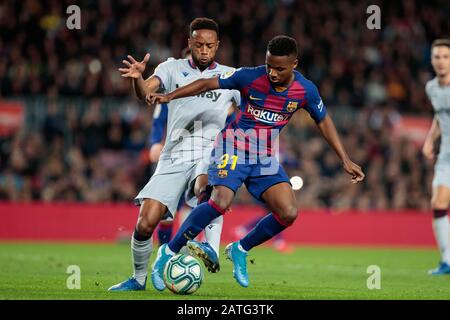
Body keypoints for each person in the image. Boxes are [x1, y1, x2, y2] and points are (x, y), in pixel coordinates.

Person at [148, 35, 365, 288]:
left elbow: (323, 121)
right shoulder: (250, 77)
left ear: (295, 64)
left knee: (288, 212)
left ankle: (240, 248)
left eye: (279, 68)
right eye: (269, 65)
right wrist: (170, 96)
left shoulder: (306, 90)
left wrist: (345, 159)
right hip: (233, 146)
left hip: (263, 156)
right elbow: (207, 83)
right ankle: (169, 251)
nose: (272, 73)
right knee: (221, 200)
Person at [108, 17, 240, 292]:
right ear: (189, 43)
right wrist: (138, 80)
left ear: (218, 46)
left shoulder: (231, 75)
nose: (204, 50)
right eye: (199, 44)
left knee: (208, 187)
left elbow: (255, 104)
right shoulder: (171, 68)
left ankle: (210, 246)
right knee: (145, 223)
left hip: (209, 151)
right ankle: (138, 279)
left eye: (210, 46)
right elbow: (145, 94)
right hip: (175, 154)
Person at [423, 39, 450, 275]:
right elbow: (439, 117)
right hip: (446, 156)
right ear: (431, 60)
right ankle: (447, 261)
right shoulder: (431, 88)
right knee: (438, 203)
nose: (441, 61)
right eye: (437, 57)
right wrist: (430, 140)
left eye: (446, 57)